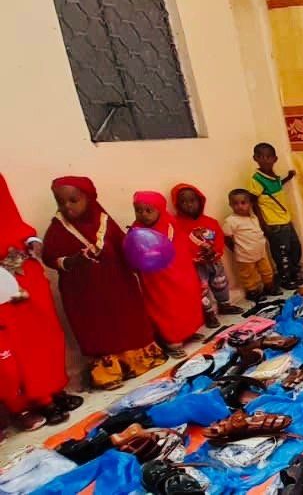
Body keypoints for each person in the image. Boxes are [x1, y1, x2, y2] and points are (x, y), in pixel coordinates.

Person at [43, 177, 166, 390]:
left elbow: (122, 245)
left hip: (118, 284)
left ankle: (139, 362)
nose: (67, 207)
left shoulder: (104, 221)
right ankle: (108, 373)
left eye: (73, 200)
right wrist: (72, 261)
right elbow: (49, 257)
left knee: (127, 321)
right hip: (84, 292)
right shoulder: (59, 227)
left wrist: (137, 250)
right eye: (61, 202)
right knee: (98, 329)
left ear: (89, 198)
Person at [0, 174, 82, 430]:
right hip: (4, 288)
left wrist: (31, 241)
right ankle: (40, 399)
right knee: (22, 343)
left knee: (47, 333)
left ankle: (56, 389)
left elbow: (14, 223)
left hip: (28, 275)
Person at [131, 191, 205, 358]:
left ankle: (187, 332)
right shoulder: (137, 231)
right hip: (157, 279)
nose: (143, 215)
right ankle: (172, 341)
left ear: (160, 209)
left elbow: (183, 245)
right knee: (166, 308)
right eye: (138, 210)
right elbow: (135, 254)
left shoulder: (171, 224)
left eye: (149, 210)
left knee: (186, 302)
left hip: (180, 273)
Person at [171, 183, 243, 328]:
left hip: (214, 260)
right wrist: (193, 257)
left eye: (192, 200)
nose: (189, 205)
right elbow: (179, 245)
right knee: (201, 290)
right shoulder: (176, 225)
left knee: (220, 283)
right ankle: (208, 313)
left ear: (200, 201)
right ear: (177, 204)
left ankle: (224, 305)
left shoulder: (210, 221)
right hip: (195, 265)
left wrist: (215, 251)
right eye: (183, 202)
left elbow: (219, 239)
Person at [247, 142, 303, 289]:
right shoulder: (256, 179)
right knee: (282, 253)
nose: (265, 160)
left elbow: (275, 187)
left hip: (285, 220)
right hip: (273, 224)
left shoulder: (273, 176)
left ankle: (294, 274)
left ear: (275, 159)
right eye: (261, 157)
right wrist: (262, 224)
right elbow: (253, 201)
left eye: (268, 157)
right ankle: (285, 278)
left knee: (295, 248)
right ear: (255, 158)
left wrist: (288, 178)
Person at [223, 189, 281, 301]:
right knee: (248, 275)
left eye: (243, 203)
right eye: (235, 203)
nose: (240, 206)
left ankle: (269, 286)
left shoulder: (254, 217)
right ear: (230, 205)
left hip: (261, 252)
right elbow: (226, 237)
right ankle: (252, 292)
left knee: (267, 271)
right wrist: (235, 249)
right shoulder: (231, 221)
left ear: (250, 204)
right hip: (244, 255)